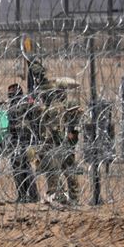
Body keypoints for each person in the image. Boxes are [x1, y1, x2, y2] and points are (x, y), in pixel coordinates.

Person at [39, 78, 84, 206]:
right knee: (58, 169)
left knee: (66, 169)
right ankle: (61, 196)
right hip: (57, 141)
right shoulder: (55, 105)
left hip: (63, 141)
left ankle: (71, 197)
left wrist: (72, 133)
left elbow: (76, 120)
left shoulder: (66, 105)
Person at [7, 82, 41, 203]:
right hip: (15, 140)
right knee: (17, 169)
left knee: (26, 168)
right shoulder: (12, 104)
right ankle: (21, 195)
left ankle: (33, 196)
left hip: (27, 139)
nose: (9, 95)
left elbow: (35, 114)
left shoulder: (26, 101)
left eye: (11, 93)